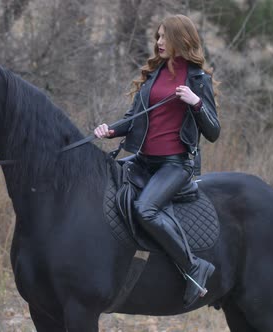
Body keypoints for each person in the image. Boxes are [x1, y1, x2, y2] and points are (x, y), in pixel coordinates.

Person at [94, 14, 220, 308]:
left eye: (165, 37)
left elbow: (213, 132)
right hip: (142, 160)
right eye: (158, 37)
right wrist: (109, 129)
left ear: (181, 40)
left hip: (175, 165)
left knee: (146, 209)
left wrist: (196, 103)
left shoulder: (198, 80)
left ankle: (193, 266)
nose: (159, 42)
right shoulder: (154, 75)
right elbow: (132, 119)